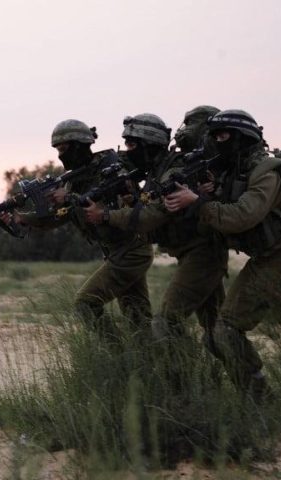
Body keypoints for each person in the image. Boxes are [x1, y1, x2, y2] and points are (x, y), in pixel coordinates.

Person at [164, 109, 281, 400]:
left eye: (223, 135)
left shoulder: (267, 171)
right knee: (222, 333)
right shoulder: (238, 171)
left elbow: (243, 215)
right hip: (265, 262)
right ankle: (259, 398)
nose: (216, 141)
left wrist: (199, 202)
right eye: (213, 135)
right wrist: (210, 195)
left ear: (243, 137)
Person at [84, 108, 227, 350]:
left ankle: (184, 381)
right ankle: (215, 382)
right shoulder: (158, 172)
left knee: (167, 323)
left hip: (203, 253)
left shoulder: (174, 171)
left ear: (149, 145)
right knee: (217, 336)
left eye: (132, 145)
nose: (128, 152)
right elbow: (150, 208)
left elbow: (151, 217)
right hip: (192, 253)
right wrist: (131, 199)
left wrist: (105, 215)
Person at [0, 119, 154, 337]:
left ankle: (118, 354)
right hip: (117, 252)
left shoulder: (110, 168)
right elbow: (58, 217)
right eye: (57, 150)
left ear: (79, 145)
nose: (60, 155)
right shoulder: (74, 179)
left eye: (63, 149)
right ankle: (153, 360)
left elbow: (111, 209)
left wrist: (69, 197)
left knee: (86, 303)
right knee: (139, 320)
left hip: (131, 250)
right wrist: (22, 218)